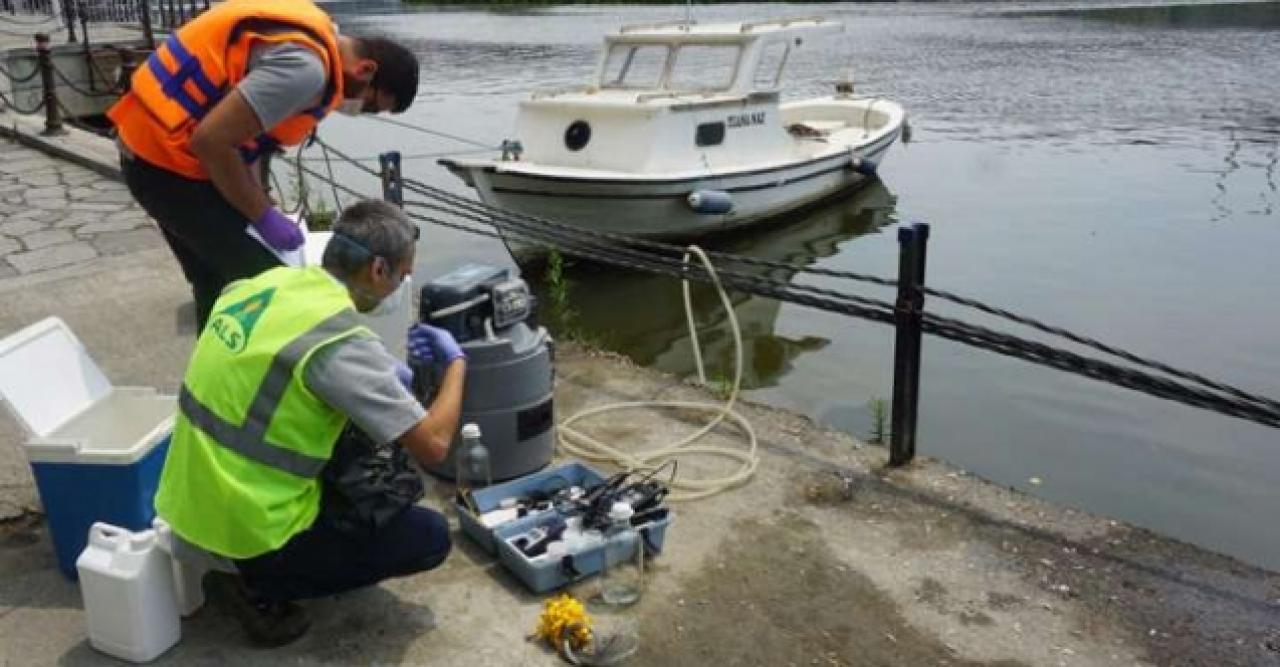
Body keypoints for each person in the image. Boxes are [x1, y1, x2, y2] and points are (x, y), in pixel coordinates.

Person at [154, 200, 464, 647]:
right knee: (429, 537)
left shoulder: (263, 284)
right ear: (379, 270)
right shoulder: (334, 341)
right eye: (403, 274)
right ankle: (257, 585)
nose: (402, 286)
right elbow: (434, 444)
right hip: (248, 533)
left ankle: (247, 560)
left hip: (184, 503)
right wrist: (456, 364)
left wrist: (381, 375)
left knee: (353, 430)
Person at [108, 0, 420, 330]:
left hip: (147, 150)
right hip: (166, 167)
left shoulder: (313, 36)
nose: (360, 111)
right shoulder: (306, 71)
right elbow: (211, 142)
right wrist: (262, 216)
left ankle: (215, 360)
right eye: (370, 106)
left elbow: (247, 142)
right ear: (366, 70)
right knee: (275, 287)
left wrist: (261, 204)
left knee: (217, 284)